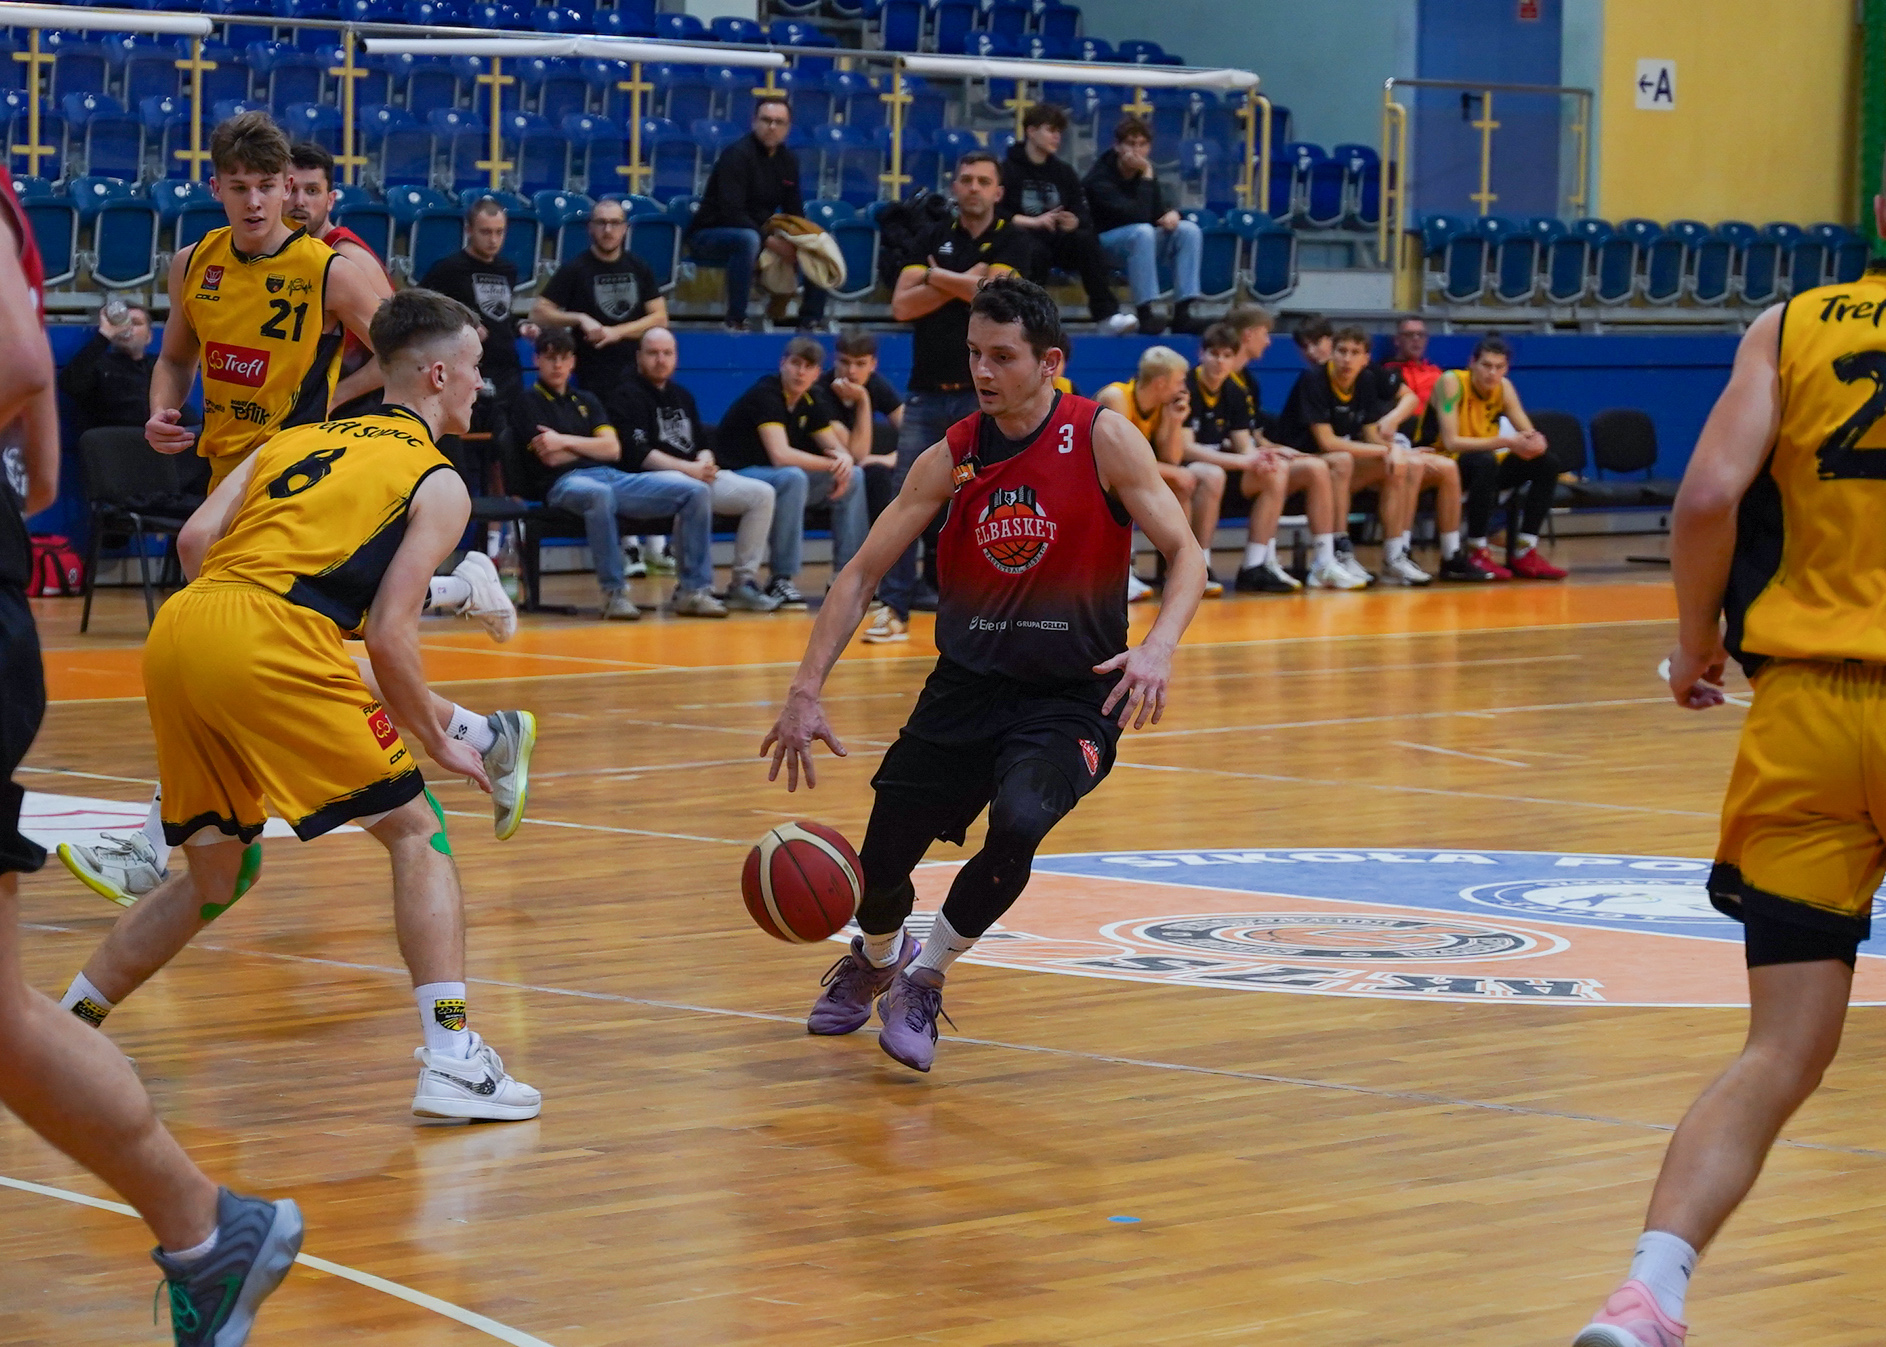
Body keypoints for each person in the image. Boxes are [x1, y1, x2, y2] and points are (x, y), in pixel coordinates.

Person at [59, 290, 542, 1128]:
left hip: (183, 628)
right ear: (436, 374)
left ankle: (64, 1031)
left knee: (219, 872)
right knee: (417, 831)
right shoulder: (438, 481)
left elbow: (192, 542)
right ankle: (454, 1059)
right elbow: (389, 634)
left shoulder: (296, 437)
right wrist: (438, 737)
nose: (480, 384)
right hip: (272, 638)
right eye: (473, 368)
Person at [59, 115, 531, 909]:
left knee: (218, 637)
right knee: (269, 650)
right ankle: (477, 697)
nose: (253, 202)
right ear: (216, 187)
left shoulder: (329, 271)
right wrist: (160, 409)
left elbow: (409, 347)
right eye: (238, 187)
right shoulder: (193, 263)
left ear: (288, 190)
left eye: (267, 187)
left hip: (297, 477)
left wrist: (333, 409)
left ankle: (149, 844)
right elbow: (174, 357)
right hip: (228, 472)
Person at [1568, 189, 1886, 1347]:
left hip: (1802, 712)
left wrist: (1693, 638)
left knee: (1776, 1051)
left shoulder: (1787, 324)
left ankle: (1646, 1293)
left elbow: (1706, 496)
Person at [0, 160, 302, 1347]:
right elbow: (49, 427)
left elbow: (22, 363)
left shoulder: (333, 273)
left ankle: (207, 1222)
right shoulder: (199, 272)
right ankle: (206, 1229)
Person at [760, 276, 1207, 1073]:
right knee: (878, 871)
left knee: (1021, 821)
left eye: (1003, 356)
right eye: (974, 354)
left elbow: (1187, 554)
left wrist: (1159, 646)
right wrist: (803, 689)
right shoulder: (953, 452)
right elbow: (860, 575)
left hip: (1072, 693)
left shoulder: (1101, 437)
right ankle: (877, 956)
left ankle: (925, 977)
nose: (982, 371)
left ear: (1050, 362)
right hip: (965, 687)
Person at [870, 150, 1029, 644]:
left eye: (983, 180)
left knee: (989, 501)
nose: (974, 187)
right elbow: (901, 306)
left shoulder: (1012, 238)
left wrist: (934, 276)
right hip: (924, 393)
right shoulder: (929, 235)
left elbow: (997, 295)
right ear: (955, 186)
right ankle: (892, 607)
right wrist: (966, 281)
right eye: (966, 179)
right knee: (906, 501)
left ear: (998, 191)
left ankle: (992, 609)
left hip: (984, 398)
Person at [514, 326, 725, 619]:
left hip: (610, 475)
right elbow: (550, 457)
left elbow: (613, 450)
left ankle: (694, 590)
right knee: (599, 495)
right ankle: (614, 593)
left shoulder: (587, 400)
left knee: (696, 491)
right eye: (550, 358)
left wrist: (563, 440)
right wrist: (590, 446)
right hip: (563, 483)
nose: (558, 365)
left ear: (573, 361)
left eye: (564, 358)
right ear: (536, 360)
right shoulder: (527, 402)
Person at [1275, 324, 1483, 586]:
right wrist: (1389, 449)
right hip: (1300, 461)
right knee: (1343, 460)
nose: (1347, 359)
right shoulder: (1313, 379)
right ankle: (1340, 553)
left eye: (1354, 353)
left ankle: (1395, 556)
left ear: (1366, 359)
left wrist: (1398, 452)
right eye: (1342, 351)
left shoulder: (1365, 380)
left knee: (1402, 465)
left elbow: (1371, 433)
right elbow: (1327, 442)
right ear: (1332, 353)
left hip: (1337, 465)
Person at [611, 325, 780, 612]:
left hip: (695, 475)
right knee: (693, 491)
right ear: (639, 357)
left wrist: (705, 461)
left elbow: (701, 443)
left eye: (667, 353)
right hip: (651, 481)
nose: (661, 360)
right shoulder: (625, 396)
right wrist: (689, 471)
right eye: (653, 353)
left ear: (676, 357)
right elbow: (640, 454)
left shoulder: (683, 395)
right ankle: (692, 589)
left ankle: (743, 583)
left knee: (762, 494)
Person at [1183, 321, 1341, 594]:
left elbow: (1243, 444)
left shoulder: (1234, 391)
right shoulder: (1186, 387)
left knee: (1274, 470)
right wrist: (1243, 461)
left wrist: (1265, 454)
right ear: (1201, 354)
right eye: (1214, 354)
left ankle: (1255, 565)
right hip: (1187, 469)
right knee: (1213, 474)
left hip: (1223, 468)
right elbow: (1185, 449)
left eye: (1227, 356)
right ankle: (1198, 565)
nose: (1220, 362)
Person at [715, 337, 871, 610]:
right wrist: (834, 464)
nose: (800, 372)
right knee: (793, 477)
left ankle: (845, 575)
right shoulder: (766, 394)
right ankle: (781, 578)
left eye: (808, 367)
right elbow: (781, 455)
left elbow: (837, 449)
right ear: (782, 364)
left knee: (854, 476)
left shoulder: (810, 400)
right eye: (795, 364)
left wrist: (844, 461)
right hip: (737, 476)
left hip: (778, 482)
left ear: (817, 373)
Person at [419, 196, 542, 486]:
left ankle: (505, 510)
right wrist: (464, 324)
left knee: (505, 445)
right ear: (469, 230)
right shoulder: (448, 268)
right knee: (464, 443)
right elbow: (421, 309)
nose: (493, 240)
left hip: (507, 368)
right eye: (486, 232)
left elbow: (501, 316)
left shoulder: (508, 269)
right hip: (467, 370)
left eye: (499, 232)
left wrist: (522, 326)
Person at [1433, 335, 1568, 581]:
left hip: (1483, 465)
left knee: (1547, 463)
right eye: (1486, 365)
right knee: (1485, 461)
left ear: (1506, 369)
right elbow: (1452, 442)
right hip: (1444, 464)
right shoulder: (1451, 382)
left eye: (1499, 367)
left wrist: (1537, 442)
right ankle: (1476, 549)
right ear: (1472, 363)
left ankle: (1524, 549)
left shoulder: (1504, 388)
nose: (1492, 373)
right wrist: (1507, 442)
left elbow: (1528, 432)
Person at [685, 95, 823, 332]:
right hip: (711, 233)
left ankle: (811, 320)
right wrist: (771, 242)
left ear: (788, 127)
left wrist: (801, 238)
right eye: (766, 120)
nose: (772, 127)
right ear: (754, 122)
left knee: (817, 241)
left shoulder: (788, 161)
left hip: (757, 232)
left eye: (779, 122)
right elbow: (731, 212)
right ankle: (736, 319)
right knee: (747, 239)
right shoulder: (736, 155)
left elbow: (794, 211)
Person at [1097, 347, 1225, 599]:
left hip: (1125, 475)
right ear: (1160, 383)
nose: (1183, 388)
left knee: (1181, 485)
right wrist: (1175, 473)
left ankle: (1178, 572)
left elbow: (1172, 458)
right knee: (1156, 482)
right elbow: (1122, 459)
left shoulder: (1161, 405)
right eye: (1179, 381)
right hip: (1093, 477)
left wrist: (1175, 421)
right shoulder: (1117, 397)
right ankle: (1122, 574)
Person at [1000, 103, 1132, 334]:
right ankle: (1031, 318)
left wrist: (1074, 221)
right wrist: (1033, 222)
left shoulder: (1064, 172)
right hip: (1022, 237)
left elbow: (1081, 211)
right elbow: (997, 213)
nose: (1057, 137)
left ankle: (1107, 315)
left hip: (1057, 237)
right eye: (1051, 130)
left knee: (1085, 240)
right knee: (1031, 249)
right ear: (1031, 131)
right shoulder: (1007, 169)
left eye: (1059, 132)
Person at [285, 141, 393, 419]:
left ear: (330, 200)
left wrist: (335, 397)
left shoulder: (347, 256)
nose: (300, 201)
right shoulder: (287, 253)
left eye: (312, 191)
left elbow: (402, 351)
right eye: (291, 189)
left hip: (359, 410)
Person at [530, 197, 665, 406]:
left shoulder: (639, 267)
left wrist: (616, 332)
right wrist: (579, 318)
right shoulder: (575, 269)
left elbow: (660, 319)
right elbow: (538, 313)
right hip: (590, 378)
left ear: (625, 228)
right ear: (590, 228)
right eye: (601, 222)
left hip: (636, 375)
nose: (608, 230)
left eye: (615, 223)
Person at [1083, 116, 1206, 337]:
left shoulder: (1145, 173)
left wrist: (1171, 214)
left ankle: (1183, 312)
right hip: (1103, 245)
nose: (1136, 151)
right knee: (1143, 232)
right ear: (1117, 146)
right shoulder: (1100, 177)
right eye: (1130, 144)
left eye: (1142, 145)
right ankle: (1145, 312)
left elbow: (1156, 211)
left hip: (1141, 242)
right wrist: (1148, 174)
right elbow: (1137, 216)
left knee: (1188, 230)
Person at [59, 303, 191, 440]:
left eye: (136, 323)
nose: (128, 327)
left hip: (153, 441)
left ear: (149, 336)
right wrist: (105, 335)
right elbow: (70, 383)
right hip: (112, 442)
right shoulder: (98, 364)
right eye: (123, 322)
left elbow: (179, 409)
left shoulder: (158, 366)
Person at [818, 328, 903, 530]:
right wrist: (864, 400)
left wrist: (890, 459)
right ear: (835, 360)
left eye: (860, 364)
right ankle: (878, 546)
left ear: (873, 364)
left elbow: (917, 436)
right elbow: (857, 455)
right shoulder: (820, 392)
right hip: (827, 469)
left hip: (859, 468)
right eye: (845, 362)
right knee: (875, 476)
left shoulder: (877, 385)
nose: (852, 371)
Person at [1381, 313, 1443, 444]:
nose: (1416, 339)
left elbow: (1449, 407)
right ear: (1397, 340)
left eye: (1421, 335)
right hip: (1401, 434)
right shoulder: (1387, 372)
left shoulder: (1437, 373)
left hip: (1436, 434)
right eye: (1409, 334)